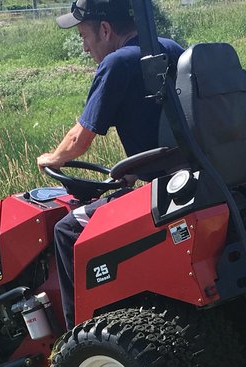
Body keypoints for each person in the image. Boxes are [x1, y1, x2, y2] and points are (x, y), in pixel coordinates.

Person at [38, 0, 183, 329]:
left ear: (105, 29)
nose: (85, 46)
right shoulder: (169, 48)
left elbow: (80, 138)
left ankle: (79, 338)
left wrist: (53, 159)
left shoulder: (118, 63)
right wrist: (135, 168)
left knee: (66, 230)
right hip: (180, 173)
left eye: (84, 36)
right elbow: (169, 119)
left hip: (162, 188)